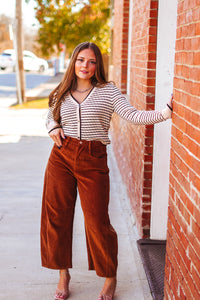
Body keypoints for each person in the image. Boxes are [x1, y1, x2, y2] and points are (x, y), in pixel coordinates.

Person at [40, 41, 173, 300]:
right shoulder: (62, 90)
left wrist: (165, 113)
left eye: (91, 61)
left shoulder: (108, 91)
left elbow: (133, 116)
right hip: (61, 157)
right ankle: (63, 274)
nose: (85, 66)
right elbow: (50, 114)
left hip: (93, 159)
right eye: (80, 60)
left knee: (98, 222)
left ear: (97, 64)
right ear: (73, 62)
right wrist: (52, 127)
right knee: (56, 217)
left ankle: (109, 277)